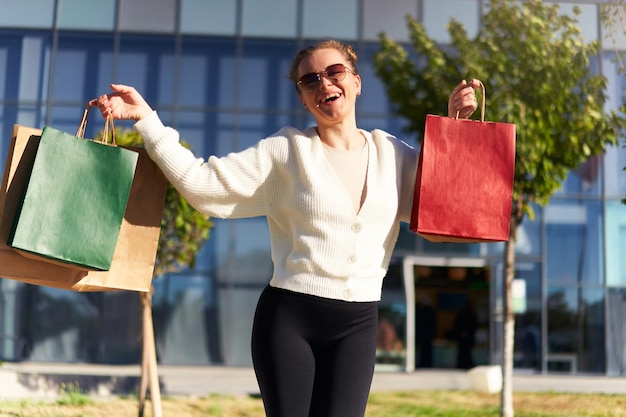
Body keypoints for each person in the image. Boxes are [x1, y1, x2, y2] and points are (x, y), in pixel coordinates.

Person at [95, 39, 479, 417]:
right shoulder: (285, 152)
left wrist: (455, 130)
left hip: (359, 325)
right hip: (290, 320)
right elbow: (203, 187)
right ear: (303, 98)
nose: (324, 84)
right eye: (309, 80)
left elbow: (439, 223)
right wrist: (147, 120)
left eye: (334, 72)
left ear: (357, 82)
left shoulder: (394, 155)